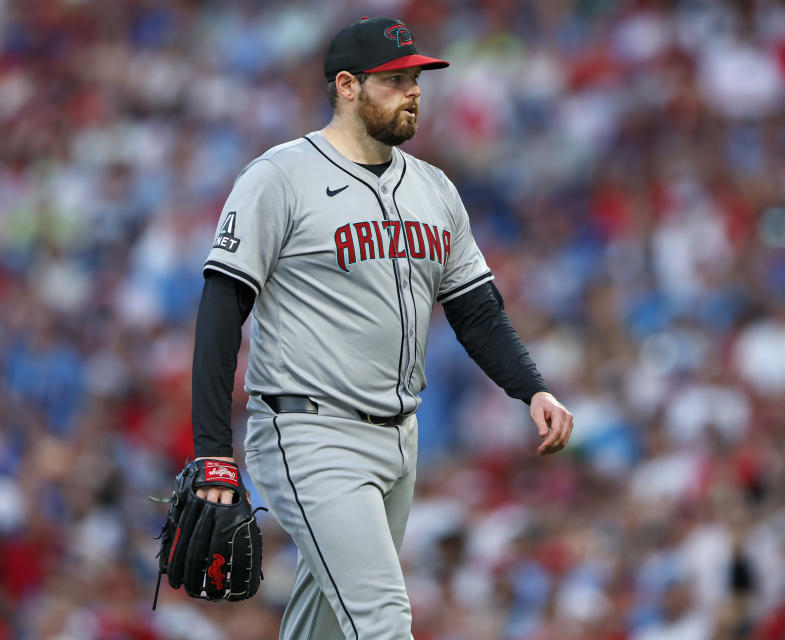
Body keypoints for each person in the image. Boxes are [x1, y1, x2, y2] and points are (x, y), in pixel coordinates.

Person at [188, 16, 573, 639]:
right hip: (309, 431)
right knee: (383, 622)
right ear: (347, 85)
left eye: (417, 77)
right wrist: (212, 450)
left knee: (327, 627)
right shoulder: (279, 177)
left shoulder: (434, 188)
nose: (414, 90)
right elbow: (220, 309)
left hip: (399, 438)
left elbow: (476, 311)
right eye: (395, 80)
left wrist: (533, 390)